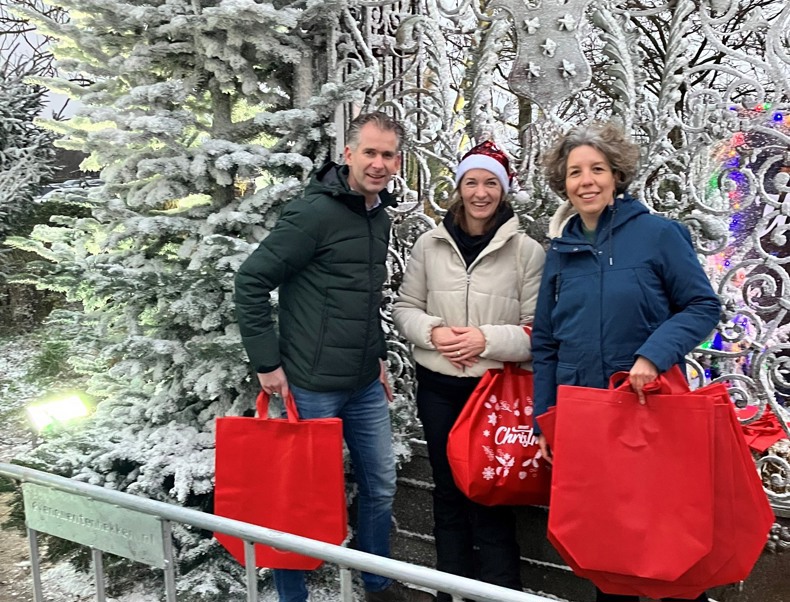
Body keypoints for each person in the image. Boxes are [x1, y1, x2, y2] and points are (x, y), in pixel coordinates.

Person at [235, 111, 434, 602]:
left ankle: (377, 583)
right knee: (298, 504)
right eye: (369, 152)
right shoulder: (313, 214)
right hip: (311, 386)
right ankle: (293, 596)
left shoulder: (377, 216)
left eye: (388, 155)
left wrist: (379, 355)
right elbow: (251, 281)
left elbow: (359, 299)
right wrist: (267, 363)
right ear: (348, 154)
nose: (379, 163)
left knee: (380, 488)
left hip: (364, 383)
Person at [531, 121, 722, 602]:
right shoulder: (560, 252)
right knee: (605, 549)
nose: (586, 181)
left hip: (646, 411)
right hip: (586, 416)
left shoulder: (658, 235)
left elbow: (701, 306)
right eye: (575, 172)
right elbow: (547, 343)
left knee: (664, 539)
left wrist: (653, 355)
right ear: (564, 182)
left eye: (597, 169)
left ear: (616, 175)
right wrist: (544, 421)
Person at [392, 141, 546, 601]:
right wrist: (434, 332)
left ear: (504, 189)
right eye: (472, 182)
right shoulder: (430, 244)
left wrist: (485, 340)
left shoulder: (527, 252)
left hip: (494, 391)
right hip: (438, 386)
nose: (481, 193)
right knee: (448, 493)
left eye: (491, 183)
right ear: (459, 187)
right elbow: (405, 309)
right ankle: (451, 589)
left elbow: (540, 332)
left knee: (492, 493)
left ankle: (502, 592)